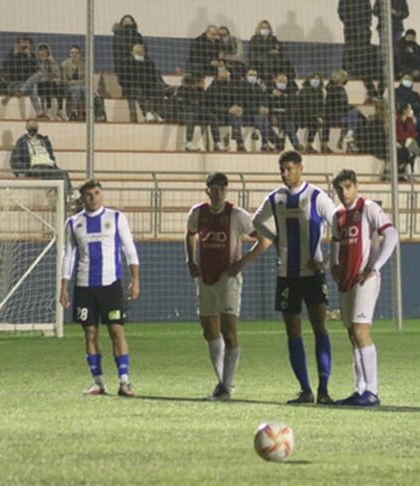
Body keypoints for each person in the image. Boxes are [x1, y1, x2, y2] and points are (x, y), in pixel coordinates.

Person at [252, 151, 337, 404]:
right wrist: (275, 238)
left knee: (320, 327)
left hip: (313, 273)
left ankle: (323, 389)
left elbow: (338, 225)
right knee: (293, 330)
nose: (285, 174)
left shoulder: (316, 196)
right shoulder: (275, 198)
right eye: (282, 170)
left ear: (301, 168)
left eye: (289, 169)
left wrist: (327, 260)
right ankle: (305, 390)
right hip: (286, 275)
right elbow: (256, 221)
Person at [185, 172, 271, 400]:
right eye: (214, 188)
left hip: (228, 280)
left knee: (229, 331)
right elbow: (190, 235)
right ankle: (223, 383)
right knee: (209, 330)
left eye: (223, 188)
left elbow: (264, 241)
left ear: (227, 191)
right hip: (205, 279)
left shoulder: (236, 215)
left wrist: (241, 263)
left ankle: (226, 385)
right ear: (207, 190)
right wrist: (190, 260)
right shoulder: (197, 213)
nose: (219, 192)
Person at [59, 180, 140, 397]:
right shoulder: (73, 223)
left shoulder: (115, 217)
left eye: (97, 193)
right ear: (82, 197)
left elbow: (129, 249)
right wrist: (63, 287)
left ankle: (124, 382)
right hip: (85, 286)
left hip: (111, 285)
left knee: (116, 330)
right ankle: (98, 383)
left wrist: (135, 280)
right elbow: (68, 256)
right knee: (90, 333)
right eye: (89, 194)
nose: (94, 197)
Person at [329, 169, 400, 406]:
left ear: (356, 186)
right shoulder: (338, 215)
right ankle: (360, 389)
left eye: (348, 187)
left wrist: (375, 266)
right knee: (352, 334)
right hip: (346, 279)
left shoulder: (368, 208)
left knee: (360, 331)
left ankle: (373, 390)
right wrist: (334, 264)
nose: (344, 192)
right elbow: (335, 243)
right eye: (339, 188)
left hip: (365, 279)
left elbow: (391, 234)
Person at [10, 119, 72, 196]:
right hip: (36, 166)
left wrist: (52, 162)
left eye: (34, 127)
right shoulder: (22, 141)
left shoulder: (44, 140)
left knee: (64, 173)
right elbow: (15, 159)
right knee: (60, 175)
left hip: (50, 165)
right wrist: (22, 171)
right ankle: (67, 198)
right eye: (31, 127)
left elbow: (51, 155)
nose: (32, 129)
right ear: (27, 128)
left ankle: (68, 197)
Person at [118, 43, 166, 122]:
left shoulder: (149, 62)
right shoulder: (126, 63)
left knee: (157, 91)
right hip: (131, 87)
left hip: (147, 85)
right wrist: (129, 85)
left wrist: (150, 85)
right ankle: (147, 112)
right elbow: (122, 79)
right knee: (139, 92)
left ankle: (155, 112)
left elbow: (153, 77)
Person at [297, 72, 326, 153]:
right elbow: (305, 107)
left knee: (325, 123)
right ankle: (308, 145)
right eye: (314, 79)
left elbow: (321, 106)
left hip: (315, 116)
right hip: (304, 115)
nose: (315, 80)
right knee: (315, 123)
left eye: (317, 79)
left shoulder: (320, 92)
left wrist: (321, 116)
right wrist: (316, 117)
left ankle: (323, 146)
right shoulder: (304, 91)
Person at [60, 45, 86, 120]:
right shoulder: (64, 64)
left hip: (80, 87)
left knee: (85, 89)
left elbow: (86, 80)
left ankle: (84, 112)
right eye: (72, 53)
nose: (74, 55)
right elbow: (64, 81)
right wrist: (77, 82)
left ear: (80, 55)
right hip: (66, 88)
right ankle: (73, 112)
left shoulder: (84, 65)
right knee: (77, 89)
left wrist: (74, 82)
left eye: (76, 53)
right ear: (69, 54)